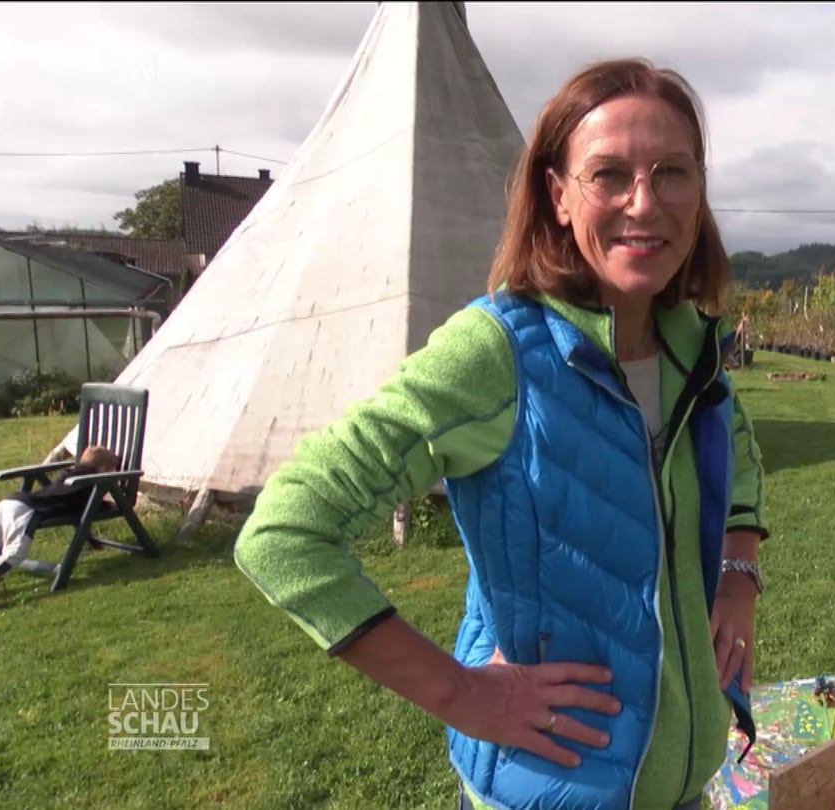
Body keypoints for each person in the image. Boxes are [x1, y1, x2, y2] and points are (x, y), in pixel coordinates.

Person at [234, 57, 769, 810]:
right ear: (557, 195)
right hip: (546, 788)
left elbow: (738, 457)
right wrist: (460, 693)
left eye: (672, 173)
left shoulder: (693, 348)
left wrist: (737, 576)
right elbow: (285, 532)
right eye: (609, 175)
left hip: (685, 786)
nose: (644, 204)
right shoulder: (498, 353)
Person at [0, 445, 120, 597]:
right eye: (112, 472)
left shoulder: (68, 475)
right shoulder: (88, 483)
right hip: (25, 510)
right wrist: (108, 505)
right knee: (16, 552)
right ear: (104, 469)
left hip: (9, 502)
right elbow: (87, 503)